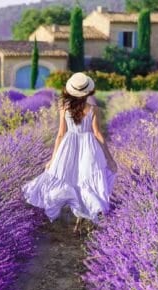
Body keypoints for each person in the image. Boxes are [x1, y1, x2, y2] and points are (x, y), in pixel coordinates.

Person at [22, 72, 117, 234]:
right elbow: (98, 134)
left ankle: (80, 221)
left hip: (69, 146)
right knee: (87, 181)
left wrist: (53, 159)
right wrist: (109, 158)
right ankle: (84, 219)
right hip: (89, 147)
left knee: (72, 181)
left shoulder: (64, 108)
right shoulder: (93, 109)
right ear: (88, 92)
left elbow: (60, 134)